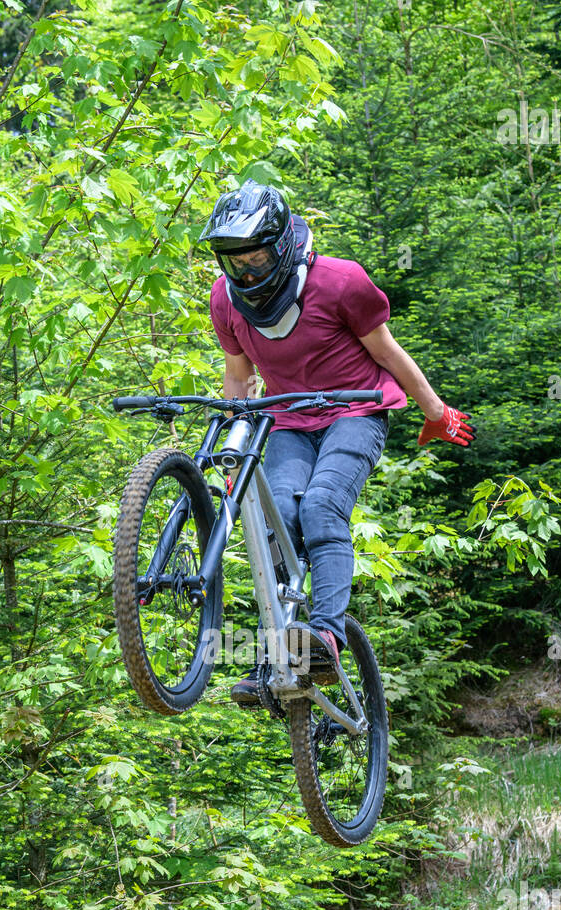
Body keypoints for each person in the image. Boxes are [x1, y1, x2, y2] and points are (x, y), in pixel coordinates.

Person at [197, 180, 475, 705]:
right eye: (236, 263)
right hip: (285, 422)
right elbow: (238, 379)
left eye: (257, 259)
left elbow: (389, 355)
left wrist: (435, 412)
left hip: (356, 411)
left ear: (281, 246)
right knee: (275, 518)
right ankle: (280, 652)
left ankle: (325, 635)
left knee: (323, 506)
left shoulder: (340, 282)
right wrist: (234, 453)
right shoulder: (224, 301)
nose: (248, 273)